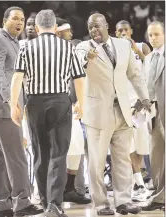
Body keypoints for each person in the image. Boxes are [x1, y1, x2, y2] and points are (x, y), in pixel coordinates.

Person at [10, 9, 85, 217]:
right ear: (54, 26)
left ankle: (44, 203)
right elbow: (79, 78)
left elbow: (16, 78)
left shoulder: (26, 47)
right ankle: (55, 204)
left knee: (40, 155)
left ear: (37, 27)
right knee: (59, 155)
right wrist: (81, 102)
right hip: (61, 101)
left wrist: (13, 105)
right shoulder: (68, 47)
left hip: (34, 103)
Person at [76, 13, 151, 216]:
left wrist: (144, 98)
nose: (94, 31)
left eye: (97, 26)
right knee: (97, 163)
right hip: (98, 115)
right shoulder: (84, 47)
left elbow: (135, 74)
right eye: (90, 28)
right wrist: (86, 56)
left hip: (123, 111)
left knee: (122, 160)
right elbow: (78, 58)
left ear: (106, 25)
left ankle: (123, 201)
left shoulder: (124, 45)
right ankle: (101, 204)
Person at [0, 6, 43, 217]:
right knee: (17, 154)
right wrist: (10, 100)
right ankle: (22, 202)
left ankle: (1, 205)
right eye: (15, 19)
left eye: (22, 19)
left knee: (0, 158)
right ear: (4, 21)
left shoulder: (14, 42)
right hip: (3, 106)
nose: (19, 23)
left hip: (5, 106)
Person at [115, 20, 151, 202]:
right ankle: (138, 184)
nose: (122, 32)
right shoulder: (113, 50)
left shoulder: (142, 46)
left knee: (141, 146)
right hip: (123, 104)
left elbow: (151, 65)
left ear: (131, 31)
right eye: (119, 30)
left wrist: (135, 51)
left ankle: (142, 181)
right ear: (115, 32)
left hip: (141, 104)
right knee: (128, 146)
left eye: (125, 30)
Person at [56, 17, 91, 205]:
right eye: (68, 31)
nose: (71, 34)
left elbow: (78, 78)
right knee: (56, 150)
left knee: (76, 147)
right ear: (59, 32)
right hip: (53, 104)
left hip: (71, 104)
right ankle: (50, 190)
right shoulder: (51, 49)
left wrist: (79, 100)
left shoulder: (71, 50)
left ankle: (69, 188)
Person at [141, 21, 165, 211]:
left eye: (157, 34)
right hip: (153, 112)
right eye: (151, 35)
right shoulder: (148, 59)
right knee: (156, 155)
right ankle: (159, 195)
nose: (154, 38)